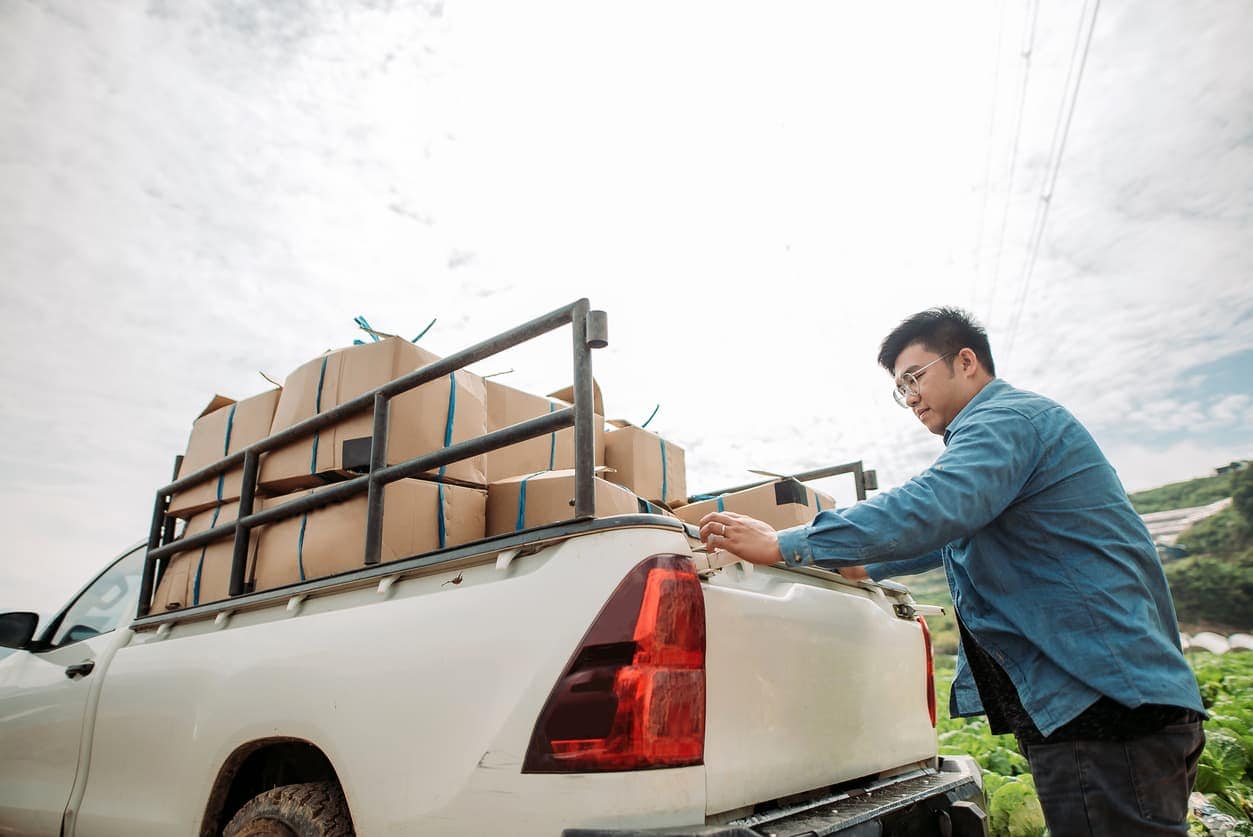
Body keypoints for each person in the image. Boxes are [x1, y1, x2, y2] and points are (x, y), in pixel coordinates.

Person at [698, 307, 1206, 836]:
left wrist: (784, 543)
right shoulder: (1010, 443)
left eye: (915, 378)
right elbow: (947, 535)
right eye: (900, 389)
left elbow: (933, 507)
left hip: (1102, 705)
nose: (910, 398)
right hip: (1111, 702)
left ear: (966, 361)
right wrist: (857, 560)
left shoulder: (1006, 422)